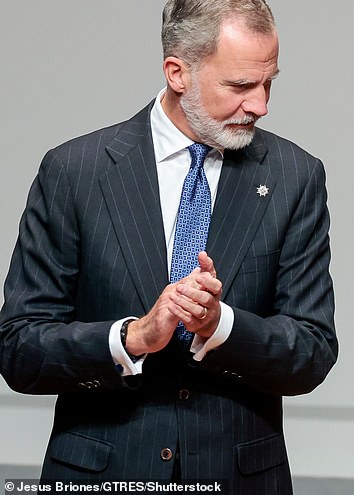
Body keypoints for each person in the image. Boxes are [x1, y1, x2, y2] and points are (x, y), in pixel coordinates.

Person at [0, 1, 337, 493]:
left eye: (269, 83)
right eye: (241, 85)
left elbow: (312, 349)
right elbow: (19, 348)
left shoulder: (295, 177)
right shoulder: (75, 172)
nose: (260, 105)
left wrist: (219, 324)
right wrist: (133, 338)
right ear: (177, 72)